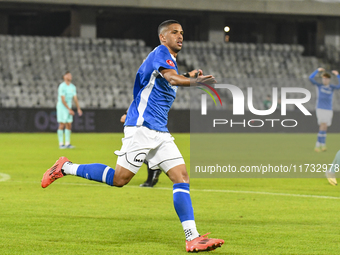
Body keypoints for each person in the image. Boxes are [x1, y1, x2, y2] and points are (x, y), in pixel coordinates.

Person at [42, 20, 224, 252]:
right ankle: (65, 167)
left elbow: (158, 83)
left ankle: (192, 237)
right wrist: (195, 81)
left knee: (181, 177)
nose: (180, 36)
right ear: (162, 37)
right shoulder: (161, 53)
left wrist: (188, 74)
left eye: (182, 33)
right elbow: (171, 79)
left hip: (159, 131)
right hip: (142, 128)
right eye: (174, 32)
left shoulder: (167, 60)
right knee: (120, 179)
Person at [120, 112, 162, 187]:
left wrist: (127, 114)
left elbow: (136, 106)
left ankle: (154, 168)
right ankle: (152, 174)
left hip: (142, 127)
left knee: (135, 152)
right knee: (145, 153)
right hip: (150, 125)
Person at [309, 67, 340, 152]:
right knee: (323, 125)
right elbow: (310, 78)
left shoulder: (331, 88)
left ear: (329, 80)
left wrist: (337, 75)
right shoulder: (319, 86)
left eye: (326, 79)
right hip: (320, 108)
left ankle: (322, 144)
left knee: (325, 127)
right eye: (323, 79)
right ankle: (318, 145)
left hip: (329, 109)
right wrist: (317, 70)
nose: (325, 80)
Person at [56, 71, 82, 149]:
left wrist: (78, 108)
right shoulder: (62, 86)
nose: (70, 76)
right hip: (62, 107)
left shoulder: (72, 87)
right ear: (64, 76)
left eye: (70, 75)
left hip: (68, 107)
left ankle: (67, 143)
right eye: (68, 75)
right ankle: (61, 144)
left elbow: (75, 99)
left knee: (69, 124)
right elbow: (62, 99)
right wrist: (69, 109)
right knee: (62, 124)